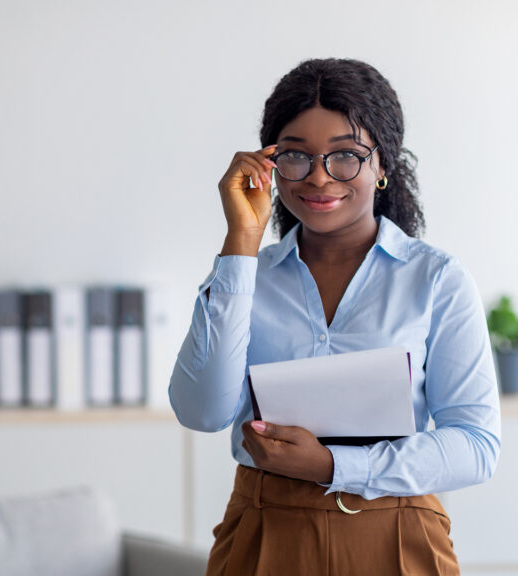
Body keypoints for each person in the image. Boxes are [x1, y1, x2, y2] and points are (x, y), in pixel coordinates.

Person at [170, 58, 500, 575]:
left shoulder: (436, 279)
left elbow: (477, 446)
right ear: (269, 164)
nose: (319, 177)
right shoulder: (245, 279)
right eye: (296, 155)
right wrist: (240, 244)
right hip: (265, 531)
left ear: (382, 164)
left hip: (396, 534)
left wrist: (331, 465)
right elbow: (203, 412)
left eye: (345, 155)